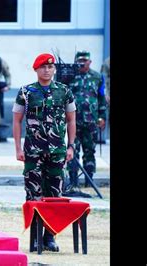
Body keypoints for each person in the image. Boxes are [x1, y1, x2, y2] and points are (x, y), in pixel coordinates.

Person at [12, 53, 76, 252]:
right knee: (33, 194)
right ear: (36, 69)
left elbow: (71, 119)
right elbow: (16, 120)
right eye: (43, 67)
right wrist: (17, 148)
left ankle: (50, 237)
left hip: (57, 151)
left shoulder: (64, 91)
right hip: (33, 152)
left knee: (55, 194)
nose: (47, 70)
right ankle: (35, 237)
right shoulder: (26, 92)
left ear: (54, 69)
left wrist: (71, 145)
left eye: (50, 67)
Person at [66, 51, 107, 190]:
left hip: (91, 122)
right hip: (74, 122)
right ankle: (73, 181)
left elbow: (101, 98)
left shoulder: (97, 77)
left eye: (85, 61)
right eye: (79, 61)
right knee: (73, 150)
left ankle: (89, 180)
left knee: (89, 151)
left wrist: (102, 117)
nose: (82, 63)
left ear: (90, 62)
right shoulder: (70, 76)